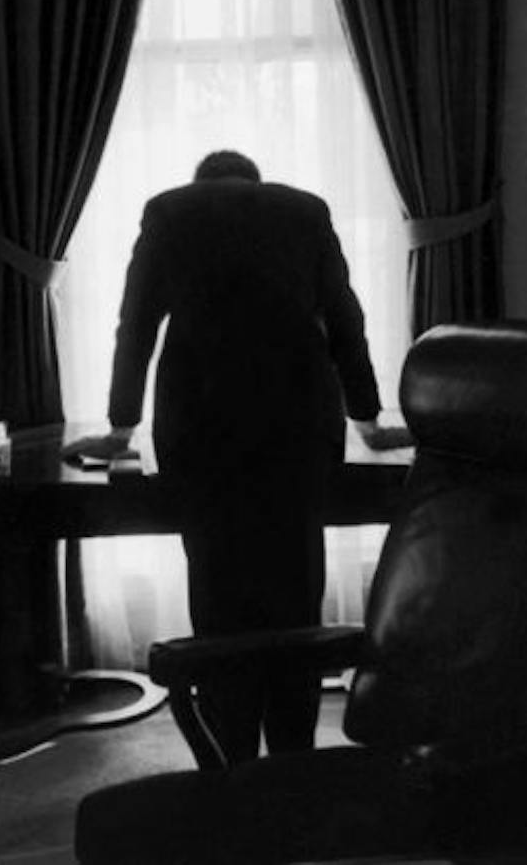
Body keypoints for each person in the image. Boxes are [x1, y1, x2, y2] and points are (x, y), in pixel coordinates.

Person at [64, 149, 411, 761]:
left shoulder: (167, 212)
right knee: (296, 592)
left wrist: (121, 429)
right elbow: (346, 322)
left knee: (220, 596)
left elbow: (135, 325)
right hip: (298, 431)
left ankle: (231, 767)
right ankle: (294, 762)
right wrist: (369, 419)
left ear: (202, 182)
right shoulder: (306, 210)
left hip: (203, 433)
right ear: (256, 180)